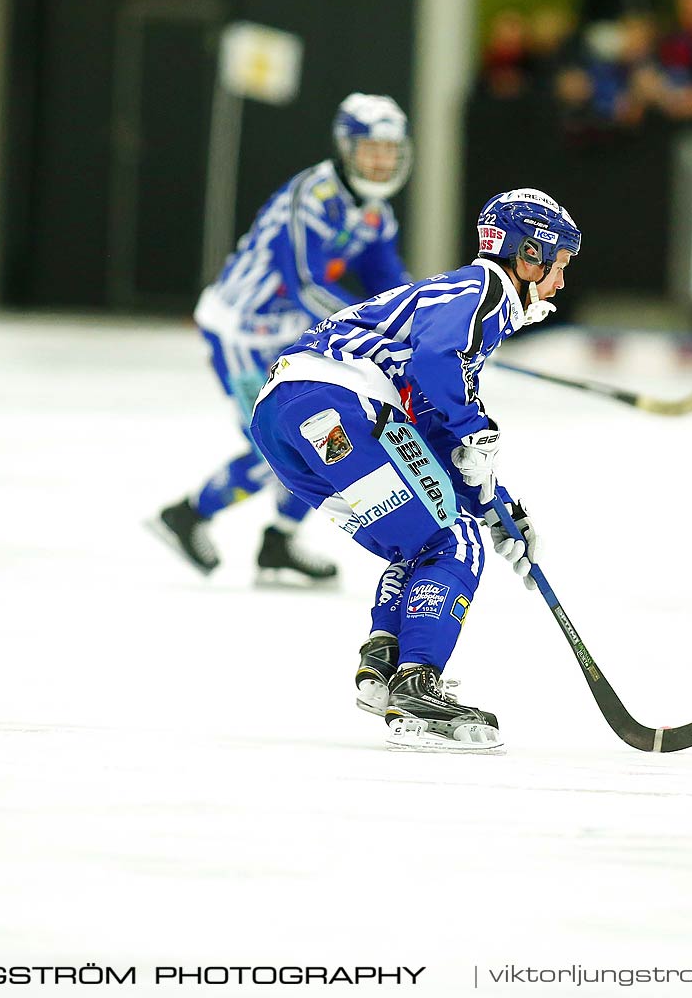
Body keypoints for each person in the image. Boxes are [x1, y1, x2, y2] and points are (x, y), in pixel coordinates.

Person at [246, 191, 581, 751]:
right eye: (558, 266)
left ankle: (386, 660)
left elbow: (428, 430)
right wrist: (477, 427)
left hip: (285, 417)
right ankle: (418, 684)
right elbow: (435, 367)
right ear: (528, 256)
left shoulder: (463, 300)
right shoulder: (484, 291)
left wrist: (499, 508)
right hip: (339, 400)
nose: (560, 284)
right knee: (453, 545)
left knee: (424, 542)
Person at [152, 94, 411, 585]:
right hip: (242, 331)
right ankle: (188, 514)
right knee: (271, 441)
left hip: (291, 332)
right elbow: (307, 284)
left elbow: (390, 283)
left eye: (389, 150)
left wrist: (424, 322)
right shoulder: (310, 198)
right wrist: (381, 330)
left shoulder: (377, 212)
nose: (380, 160)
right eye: (369, 148)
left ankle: (279, 541)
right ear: (345, 147)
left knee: (320, 431)